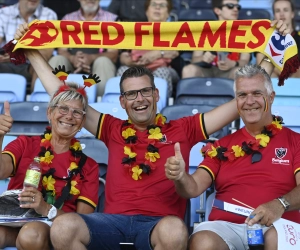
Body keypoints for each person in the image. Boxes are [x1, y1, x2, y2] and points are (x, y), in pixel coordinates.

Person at [13, 19, 280, 250]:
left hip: (159, 225)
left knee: (175, 230)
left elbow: (241, 103)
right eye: (131, 94)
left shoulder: (182, 128)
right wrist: (32, 52)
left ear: (156, 95)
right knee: (62, 227)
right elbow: (62, 96)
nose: (139, 99)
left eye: (144, 92)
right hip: (111, 224)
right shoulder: (111, 128)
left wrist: (272, 51)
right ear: (122, 101)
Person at [165, 40, 300, 250]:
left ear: (271, 97)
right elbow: (192, 189)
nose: (249, 101)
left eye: (257, 93)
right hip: (227, 226)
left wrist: (279, 204)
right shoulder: (221, 145)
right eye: (242, 95)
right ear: (236, 101)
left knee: (275, 238)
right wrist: (181, 177)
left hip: (278, 223)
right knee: (203, 242)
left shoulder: (295, 140)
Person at [0, 82, 99, 249]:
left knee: (31, 234)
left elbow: (84, 223)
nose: (69, 116)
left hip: (52, 229)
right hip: (13, 220)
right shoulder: (25, 144)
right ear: (49, 112)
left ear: (82, 123)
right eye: (63, 108)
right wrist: (0, 136)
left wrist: (45, 208)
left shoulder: (89, 166)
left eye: (77, 112)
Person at [48, 0, 119, 97]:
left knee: (103, 62)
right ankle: (53, 100)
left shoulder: (112, 19)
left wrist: (91, 58)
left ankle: (100, 104)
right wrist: (73, 59)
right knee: (57, 59)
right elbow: (62, 50)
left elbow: (113, 54)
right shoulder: (67, 19)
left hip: (98, 64)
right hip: (72, 63)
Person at [117, 0, 180, 97]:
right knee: (124, 70)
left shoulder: (173, 31)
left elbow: (175, 52)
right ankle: (124, 104)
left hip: (164, 69)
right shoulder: (136, 30)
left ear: (168, 13)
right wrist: (128, 60)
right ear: (146, 11)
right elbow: (124, 54)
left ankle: (157, 105)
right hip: (138, 68)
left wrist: (157, 54)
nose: (157, 8)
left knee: (162, 72)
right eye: (153, 4)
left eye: (162, 5)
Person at [181, 0, 251, 79]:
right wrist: (203, 58)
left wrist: (234, 63)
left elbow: (245, 61)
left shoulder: (244, 31)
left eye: (238, 7)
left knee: (239, 72)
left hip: (231, 71)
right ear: (217, 10)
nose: (235, 9)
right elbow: (194, 60)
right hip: (207, 70)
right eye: (230, 6)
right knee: (188, 70)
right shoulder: (206, 30)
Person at [0, 0, 57, 92]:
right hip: (5, 63)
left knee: (42, 63)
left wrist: (19, 54)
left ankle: (35, 102)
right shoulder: (3, 13)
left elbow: (47, 51)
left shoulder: (49, 14)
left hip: (31, 64)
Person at [256, 0, 300, 78]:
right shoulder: (265, 37)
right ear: (274, 15)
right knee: (264, 73)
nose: (282, 14)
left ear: (292, 14)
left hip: (295, 79)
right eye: (277, 10)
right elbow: (260, 64)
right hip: (272, 78)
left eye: (286, 10)